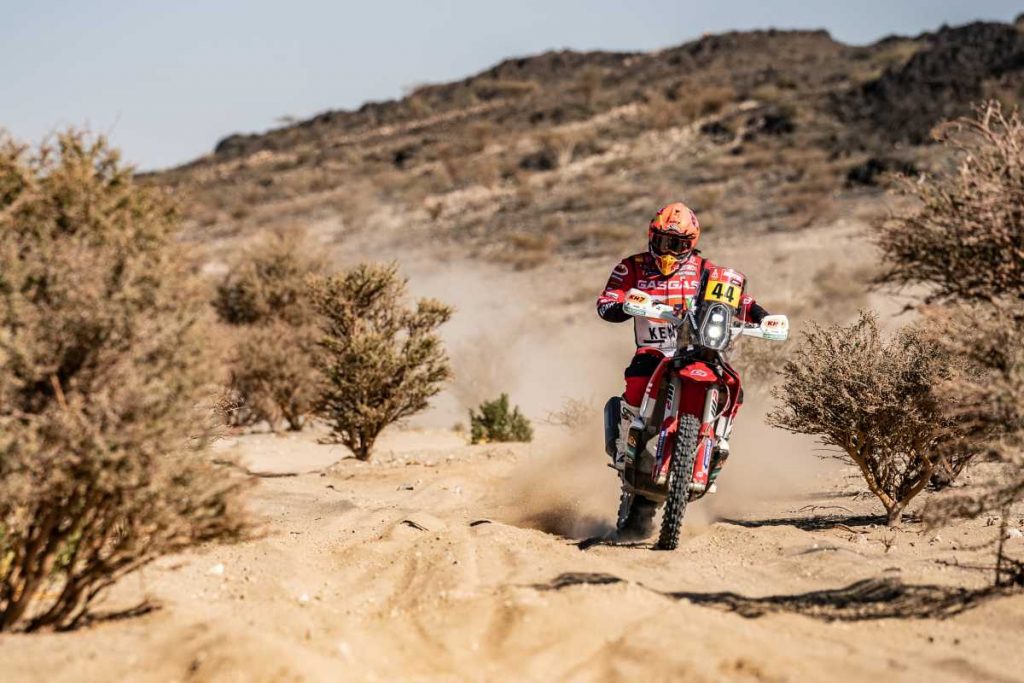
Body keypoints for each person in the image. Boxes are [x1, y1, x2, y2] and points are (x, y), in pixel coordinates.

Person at [595, 202, 769, 491]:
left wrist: (762, 317)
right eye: (662, 242)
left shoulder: (705, 270)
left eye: (677, 244)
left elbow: (739, 299)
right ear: (652, 237)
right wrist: (622, 305)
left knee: (732, 386)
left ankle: (720, 440)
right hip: (654, 349)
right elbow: (606, 301)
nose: (668, 251)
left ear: (691, 243)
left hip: (698, 348)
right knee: (638, 376)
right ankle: (625, 441)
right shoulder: (632, 266)